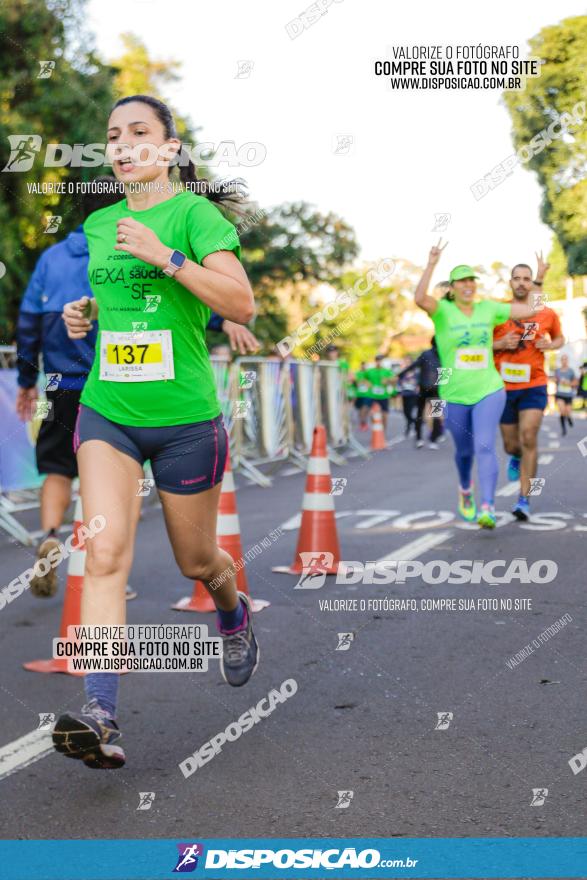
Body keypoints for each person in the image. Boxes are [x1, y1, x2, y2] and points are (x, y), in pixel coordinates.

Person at [52, 94, 258, 770]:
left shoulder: (193, 216)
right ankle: (101, 715)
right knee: (105, 556)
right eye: (113, 135)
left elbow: (238, 302)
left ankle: (230, 608)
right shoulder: (102, 221)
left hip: (185, 421)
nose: (122, 145)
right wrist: (86, 314)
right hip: (108, 411)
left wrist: (167, 254)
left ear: (170, 148)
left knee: (196, 563)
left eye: (139, 133)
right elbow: (125, 307)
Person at [15, 181, 123, 598]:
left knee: (57, 467)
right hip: (109, 386)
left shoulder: (51, 257)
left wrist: (27, 382)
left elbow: (28, 326)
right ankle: (100, 566)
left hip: (60, 386)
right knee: (103, 475)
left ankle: (49, 534)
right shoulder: (119, 254)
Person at [414, 240, 537, 528]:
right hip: (455, 393)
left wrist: (537, 279)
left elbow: (529, 309)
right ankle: (466, 490)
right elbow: (420, 298)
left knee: (484, 446)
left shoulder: (488, 309)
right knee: (465, 452)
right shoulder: (442, 312)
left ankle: (488, 506)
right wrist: (431, 263)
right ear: (453, 287)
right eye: (463, 281)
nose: (469, 285)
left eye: (472, 280)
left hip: (489, 389)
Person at [493, 255, 564, 520]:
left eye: (527, 278)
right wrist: (500, 345)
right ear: (510, 282)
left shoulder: (546, 312)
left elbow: (559, 337)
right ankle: (516, 457)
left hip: (534, 384)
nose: (522, 283)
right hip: (503, 389)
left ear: (531, 282)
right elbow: (478, 345)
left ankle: (524, 500)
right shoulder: (499, 312)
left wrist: (552, 345)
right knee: (512, 445)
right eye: (517, 278)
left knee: (529, 437)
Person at [397, 338, 443, 448]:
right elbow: (447, 373)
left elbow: (413, 366)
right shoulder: (444, 354)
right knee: (436, 415)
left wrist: (399, 375)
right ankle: (433, 440)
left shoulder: (426, 354)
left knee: (420, 413)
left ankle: (419, 439)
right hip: (437, 389)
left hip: (424, 388)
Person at [364, 354, 394, 433]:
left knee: (385, 414)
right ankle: (375, 428)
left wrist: (387, 381)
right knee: (371, 412)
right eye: (378, 360)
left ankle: (383, 431)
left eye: (381, 361)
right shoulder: (370, 371)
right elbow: (364, 378)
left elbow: (394, 380)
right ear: (375, 361)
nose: (379, 362)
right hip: (372, 395)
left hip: (383, 395)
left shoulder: (387, 371)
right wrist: (367, 383)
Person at [396, 356, 419, 437]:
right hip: (404, 394)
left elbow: (419, 383)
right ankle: (413, 422)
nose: (407, 363)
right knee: (405, 412)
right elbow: (398, 382)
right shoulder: (403, 373)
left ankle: (409, 427)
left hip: (413, 395)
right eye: (405, 362)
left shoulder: (416, 372)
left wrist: (417, 387)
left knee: (409, 411)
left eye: (408, 362)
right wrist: (398, 392)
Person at [554, 353, 577, 435]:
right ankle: (563, 428)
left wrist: (569, 383)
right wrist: (556, 381)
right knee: (562, 411)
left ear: (567, 361)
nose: (564, 361)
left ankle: (569, 418)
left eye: (565, 359)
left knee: (568, 411)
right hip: (560, 394)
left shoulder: (571, 371)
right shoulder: (557, 371)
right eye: (563, 359)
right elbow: (555, 380)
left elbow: (575, 382)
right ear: (561, 361)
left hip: (568, 394)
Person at [353, 361, 371, 431]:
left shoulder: (369, 374)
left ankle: (364, 423)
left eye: (365, 366)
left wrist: (365, 382)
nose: (364, 367)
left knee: (365, 409)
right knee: (360, 411)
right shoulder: (358, 373)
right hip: (359, 395)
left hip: (367, 395)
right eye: (362, 365)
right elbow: (356, 384)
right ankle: (362, 422)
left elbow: (371, 384)